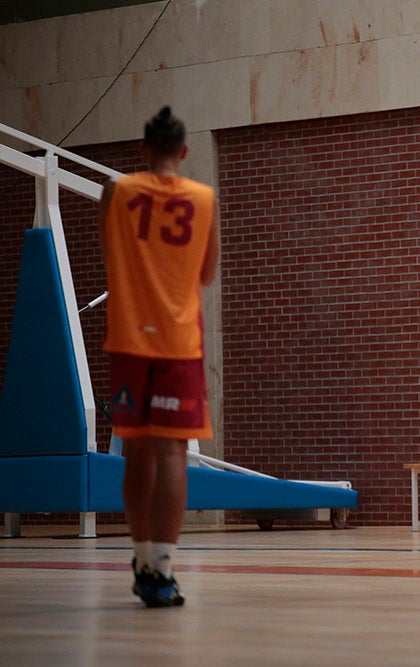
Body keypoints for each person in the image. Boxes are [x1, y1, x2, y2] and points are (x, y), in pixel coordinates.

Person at [98, 106, 220, 606]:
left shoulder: (117, 191)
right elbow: (207, 274)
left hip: (130, 340)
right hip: (178, 343)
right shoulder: (204, 198)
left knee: (137, 451)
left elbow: (110, 252)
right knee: (172, 453)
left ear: (143, 149)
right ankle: (161, 569)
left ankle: (143, 555)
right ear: (185, 152)